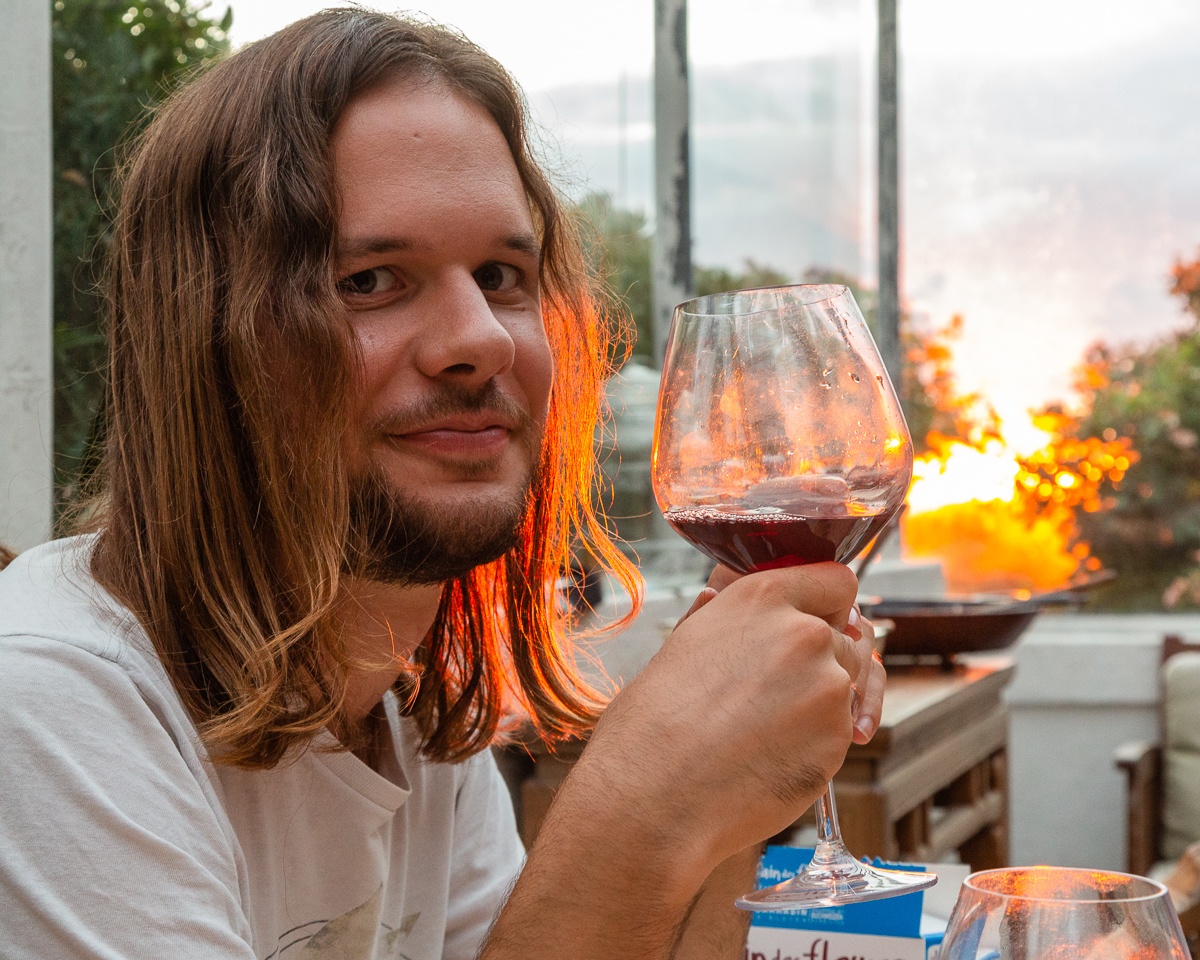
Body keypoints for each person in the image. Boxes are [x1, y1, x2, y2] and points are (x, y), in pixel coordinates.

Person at [0, 10, 884, 960]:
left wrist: (733, 789)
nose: (481, 339)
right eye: (369, 280)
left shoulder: (402, 701)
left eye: (502, 275)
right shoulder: (48, 706)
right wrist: (643, 797)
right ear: (205, 341)